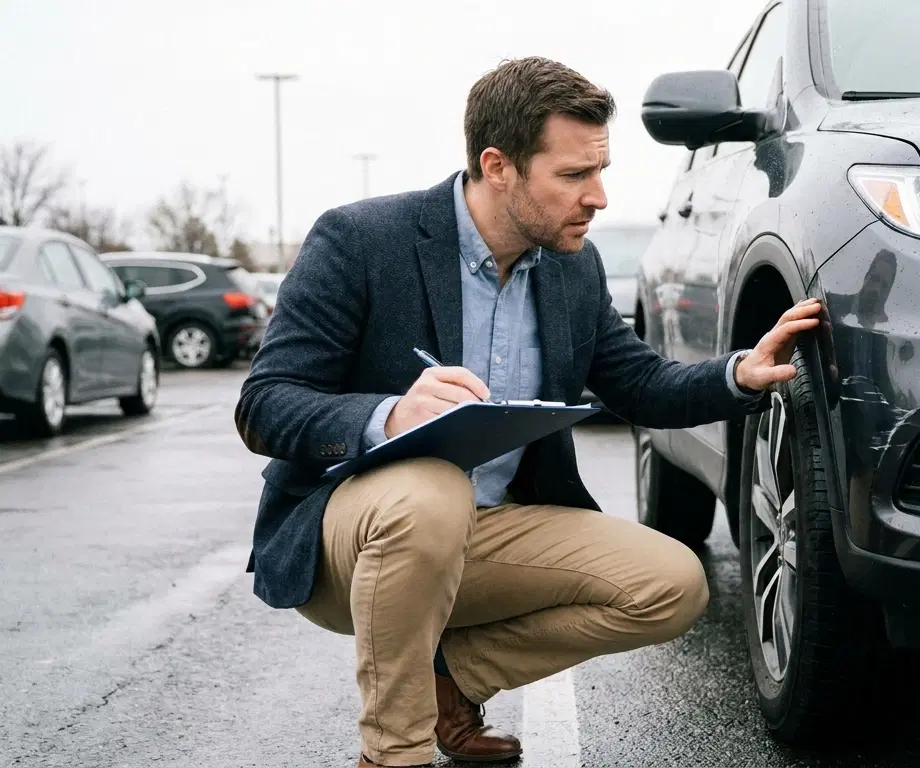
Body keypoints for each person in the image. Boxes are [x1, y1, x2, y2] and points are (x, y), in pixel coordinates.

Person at [233, 56, 823, 768]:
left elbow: (641, 384)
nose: (598, 196)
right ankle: (394, 752)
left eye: (600, 171)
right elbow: (265, 405)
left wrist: (741, 371)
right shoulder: (362, 242)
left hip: (488, 532)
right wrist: (390, 415)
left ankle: (450, 683)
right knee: (432, 490)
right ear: (498, 166)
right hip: (354, 541)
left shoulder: (572, 268)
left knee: (672, 586)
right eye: (574, 176)